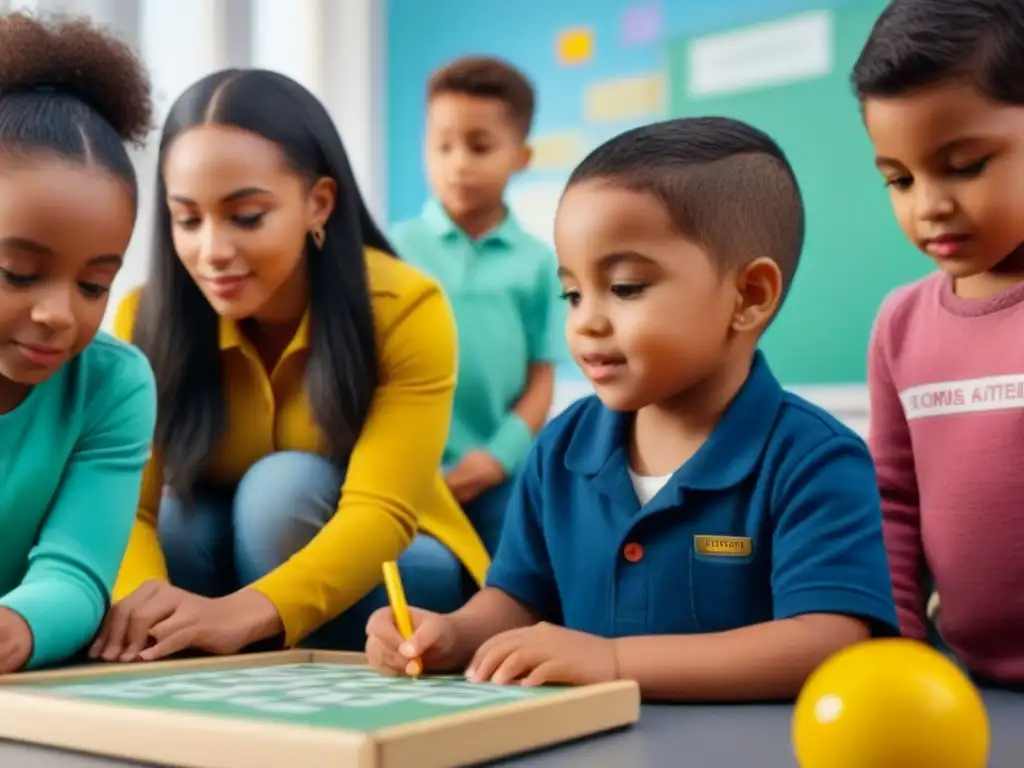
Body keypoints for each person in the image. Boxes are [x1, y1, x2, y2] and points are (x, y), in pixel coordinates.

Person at [365, 116, 899, 701]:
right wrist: (454, 632)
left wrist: (615, 659)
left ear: (749, 297)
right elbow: (519, 599)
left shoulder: (814, 458)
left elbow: (828, 642)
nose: (586, 321)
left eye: (624, 288)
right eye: (572, 294)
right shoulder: (560, 451)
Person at [87, 67, 490, 665]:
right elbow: (129, 507)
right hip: (230, 564)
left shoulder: (405, 307)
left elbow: (379, 514)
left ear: (317, 203)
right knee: (180, 520)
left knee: (279, 491)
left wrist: (238, 615)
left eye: (246, 217)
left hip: (400, 575)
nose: (212, 251)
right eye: (188, 219)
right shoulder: (144, 317)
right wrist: (146, 612)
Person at [853, 0, 1024, 685]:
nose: (928, 205)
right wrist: (895, 654)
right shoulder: (900, 324)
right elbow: (893, 501)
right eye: (899, 178)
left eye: (966, 165)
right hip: (964, 680)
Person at [0, 13, 157, 673]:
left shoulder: (114, 385)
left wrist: (18, 626)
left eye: (95, 285)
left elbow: (77, 573)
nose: (57, 314)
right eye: (17, 273)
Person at [389, 56, 563, 556]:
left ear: (522, 155)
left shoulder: (538, 262)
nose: (458, 163)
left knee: (516, 577)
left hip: (499, 472)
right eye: (441, 146)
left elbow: (542, 379)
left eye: (479, 146)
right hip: (407, 469)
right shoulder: (392, 250)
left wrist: (497, 457)